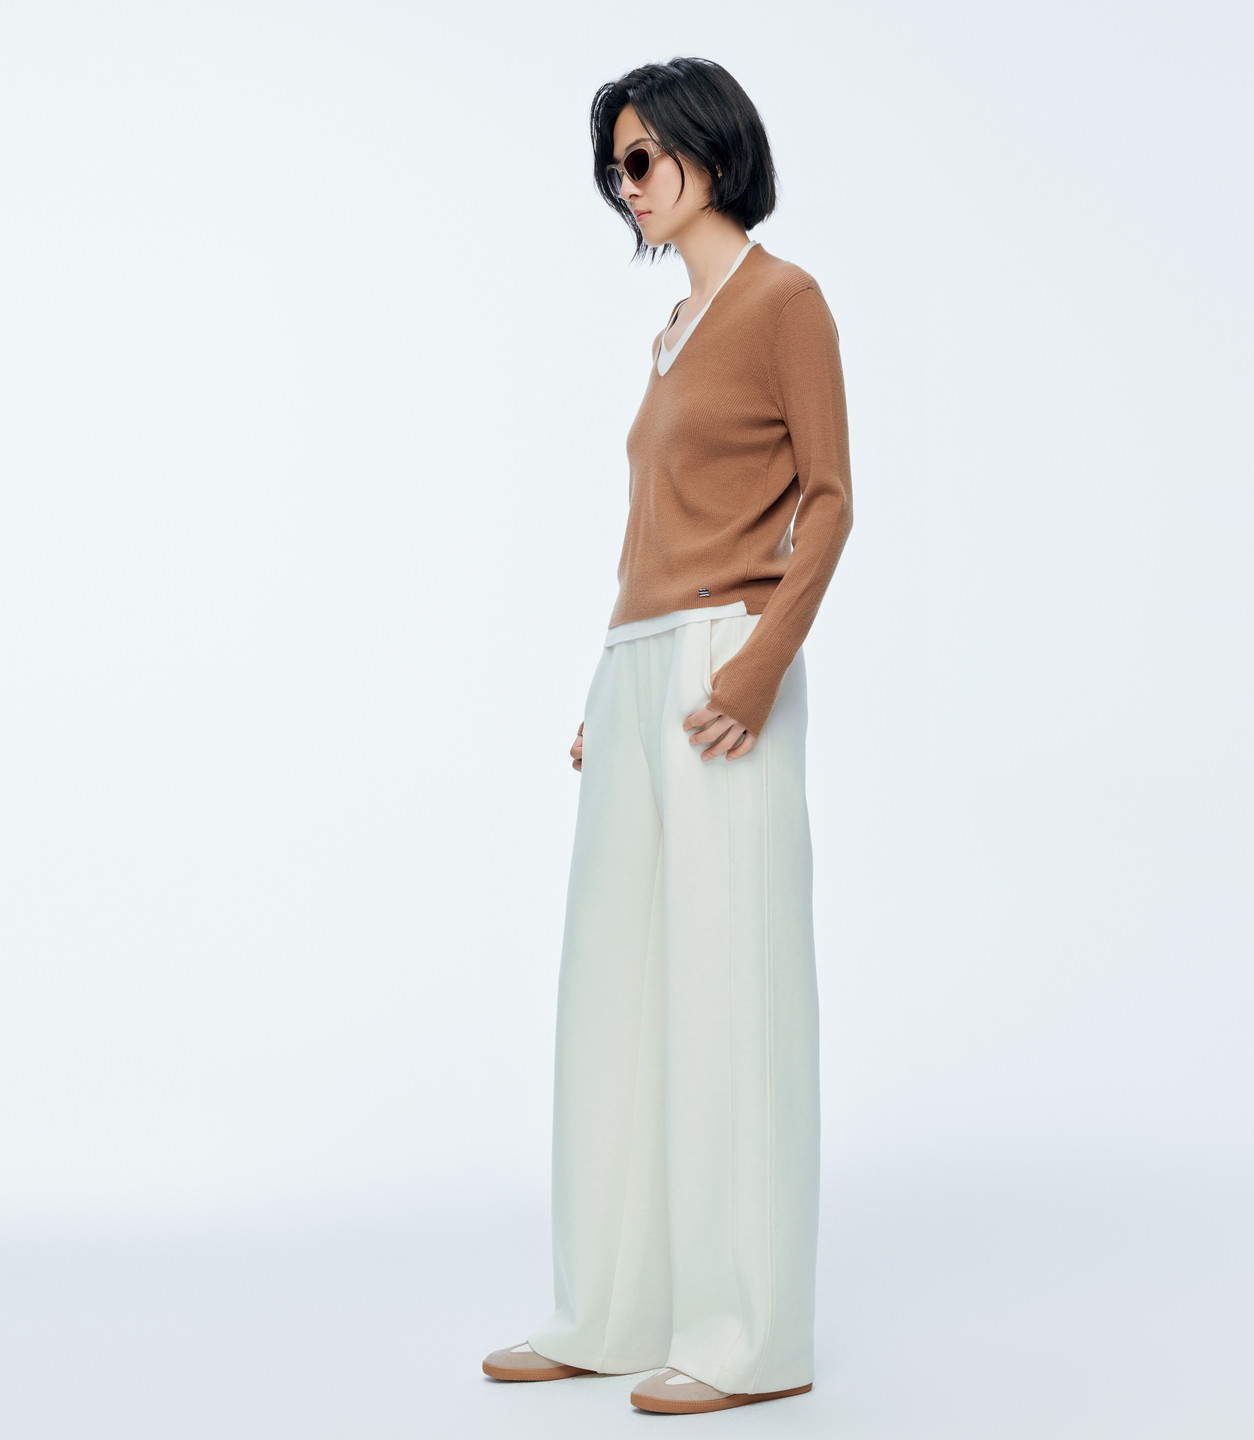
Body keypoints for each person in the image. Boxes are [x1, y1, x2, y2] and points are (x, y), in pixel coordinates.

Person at [484, 55, 854, 1417]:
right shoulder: (672, 336)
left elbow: (831, 500)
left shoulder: (784, 301)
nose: (625, 185)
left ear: (710, 149)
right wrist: (608, 685)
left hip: (723, 663)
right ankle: (609, 1311)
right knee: (615, 990)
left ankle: (748, 1339)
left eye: (642, 158)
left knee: (730, 994)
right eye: (614, 167)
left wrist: (760, 667)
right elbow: (648, 530)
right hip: (641, 669)